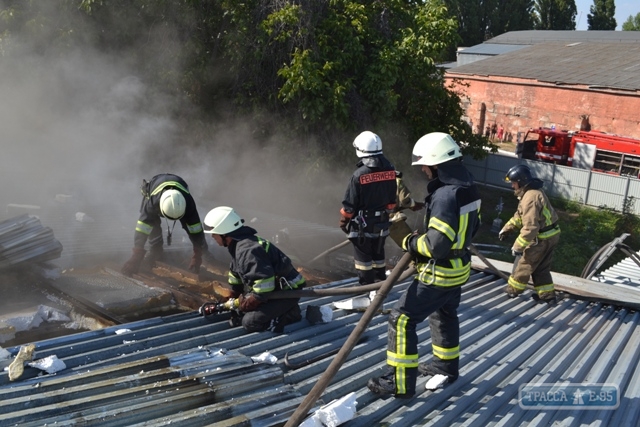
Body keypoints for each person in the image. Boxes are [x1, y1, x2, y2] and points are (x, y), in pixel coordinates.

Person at [367, 132, 481, 398]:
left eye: (425, 167)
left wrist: (406, 239)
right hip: (459, 269)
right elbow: (471, 229)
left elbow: (435, 246)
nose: (424, 172)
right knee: (444, 314)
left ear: (436, 165)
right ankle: (446, 366)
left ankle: (400, 383)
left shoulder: (444, 196)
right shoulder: (469, 188)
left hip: (438, 273)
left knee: (401, 319)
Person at [200, 206, 305, 333]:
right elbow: (236, 275)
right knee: (239, 311)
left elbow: (264, 285)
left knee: (250, 322)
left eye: (214, 234)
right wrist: (231, 298)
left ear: (224, 233)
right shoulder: (238, 246)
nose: (212, 237)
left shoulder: (247, 250)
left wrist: (249, 303)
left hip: (286, 292)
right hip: (274, 291)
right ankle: (282, 310)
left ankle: (289, 315)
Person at [339, 131, 397, 287]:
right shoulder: (390, 170)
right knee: (378, 254)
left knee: (363, 259)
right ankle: (380, 285)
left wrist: (344, 221)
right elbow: (392, 202)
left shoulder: (359, 175)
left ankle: (366, 288)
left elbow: (349, 205)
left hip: (363, 225)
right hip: (383, 222)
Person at [122, 173, 208, 276]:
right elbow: (142, 228)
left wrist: (197, 254)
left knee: (196, 233)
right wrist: (137, 253)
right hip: (155, 186)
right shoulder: (152, 203)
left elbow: (196, 230)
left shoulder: (188, 204)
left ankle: (207, 254)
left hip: (179, 187)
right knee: (153, 225)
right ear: (161, 209)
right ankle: (156, 250)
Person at [499, 164, 560, 304]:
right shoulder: (531, 193)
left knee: (525, 263)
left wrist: (518, 246)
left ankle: (512, 291)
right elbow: (520, 216)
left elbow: (531, 227)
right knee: (541, 268)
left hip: (541, 238)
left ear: (520, 182)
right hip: (551, 235)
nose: (512, 186)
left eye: (513, 183)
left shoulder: (530, 198)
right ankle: (547, 296)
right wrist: (507, 228)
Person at [388, 170, 424, 248]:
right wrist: (414, 204)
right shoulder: (397, 181)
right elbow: (404, 200)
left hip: (370, 221)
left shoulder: (370, 181)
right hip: (392, 220)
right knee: (409, 245)